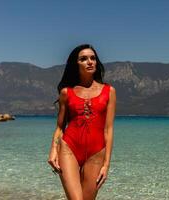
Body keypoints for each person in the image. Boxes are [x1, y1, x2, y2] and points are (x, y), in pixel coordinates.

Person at [48, 44, 116, 200]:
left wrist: (106, 164)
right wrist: (53, 150)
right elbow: (60, 127)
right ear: (76, 64)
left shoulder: (109, 91)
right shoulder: (67, 92)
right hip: (68, 149)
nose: (90, 61)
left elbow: (109, 129)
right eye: (83, 59)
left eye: (93, 58)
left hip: (96, 152)